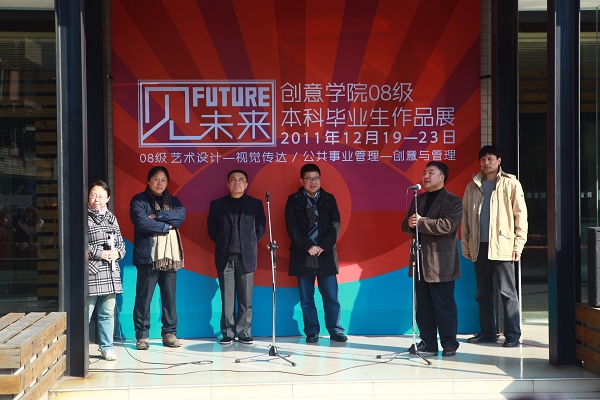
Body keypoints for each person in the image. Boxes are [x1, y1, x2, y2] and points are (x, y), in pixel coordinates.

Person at [462, 145, 528, 348]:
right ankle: (488, 333)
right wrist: (466, 245)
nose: (486, 163)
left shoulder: (511, 183)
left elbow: (521, 216)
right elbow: (465, 218)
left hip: (503, 246)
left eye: (490, 158)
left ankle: (513, 334)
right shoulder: (472, 186)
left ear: (499, 161)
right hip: (479, 246)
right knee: (483, 294)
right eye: (483, 159)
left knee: (507, 293)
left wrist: (518, 244)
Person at [401, 161, 463, 357]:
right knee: (423, 306)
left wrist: (420, 222)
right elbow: (406, 225)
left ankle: (449, 343)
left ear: (442, 177)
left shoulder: (453, 201)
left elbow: (447, 225)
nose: (426, 176)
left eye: (431, 172)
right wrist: (410, 223)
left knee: (444, 305)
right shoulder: (418, 199)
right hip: (420, 261)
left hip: (441, 263)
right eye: (424, 172)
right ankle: (428, 343)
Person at [285, 163, 347, 343]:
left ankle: (335, 330)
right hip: (303, 254)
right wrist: (308, 246)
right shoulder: (293, 200)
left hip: (325, 255)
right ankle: (312, 331)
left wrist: (322, 246)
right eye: (309, 179)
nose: (313, 182)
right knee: (306, 298)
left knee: (331, 297)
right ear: (302, 181)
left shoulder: (329, 199)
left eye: (316, 178)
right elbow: (292, 228)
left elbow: (335, 226)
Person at [207, 170, 266, 345]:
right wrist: (224, 243)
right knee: (227, 298)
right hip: (225, 257)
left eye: (241, 179)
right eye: (233, 179)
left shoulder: (255, 204)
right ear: (228, 184)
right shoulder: (217, 204)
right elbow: (212, 230)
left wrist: (248, 244)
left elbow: (260, 229)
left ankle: (244, 332)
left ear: (246, 184)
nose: (237, 182)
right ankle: (228, 332)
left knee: (246, 299)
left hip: (246, 257)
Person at [130, 166, 186, 350]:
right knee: (144, 298)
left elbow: (180, 216)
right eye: (156, 179)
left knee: (169, 298)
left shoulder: (174, 201)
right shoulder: (139, 200)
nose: (159, 183)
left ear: (167, 182)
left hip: (170, 257)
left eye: (163, 179)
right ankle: (142, 336)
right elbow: (141, 222)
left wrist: (158, 215)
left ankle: (169, 333)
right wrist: (166, 227)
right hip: (148, 257)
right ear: (148, 181)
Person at [87, 181, 126, 361]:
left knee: (107, 313)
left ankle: (107, 348)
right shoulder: (84, 217)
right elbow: (79, 244)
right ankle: (78, 348)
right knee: (85, 313)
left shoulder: (112, 218)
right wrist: (100, 253)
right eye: (93, 195)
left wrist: (118, 253)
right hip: (92, 272)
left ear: (108, 198)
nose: (97, 199)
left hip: (110, 273)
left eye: (101, 196)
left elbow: (121, 244)